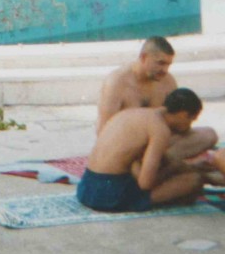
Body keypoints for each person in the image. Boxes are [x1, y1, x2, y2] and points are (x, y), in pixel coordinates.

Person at [77, 88, 223, 212]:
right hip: (108, 197)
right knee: (194, 180)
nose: (190, 126)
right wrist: (175, 167)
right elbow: (145, 183)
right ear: (184, 114)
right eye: (191, 120)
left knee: (177, 169)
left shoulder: (136, 113)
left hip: (86, 188)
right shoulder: (159, 129)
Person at [96, 36, 217, 170]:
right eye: (160, 63)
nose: (165, 70)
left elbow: (176, 120)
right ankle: (160, 162)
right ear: (143, 57)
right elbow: (103, 132)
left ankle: (161, 160)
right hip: (132, 148)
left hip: (160, 142)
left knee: (209, 135)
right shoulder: (117, 83)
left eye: (168, 64)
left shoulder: (167, 81)